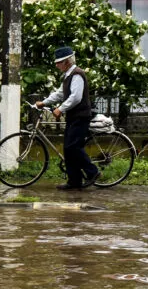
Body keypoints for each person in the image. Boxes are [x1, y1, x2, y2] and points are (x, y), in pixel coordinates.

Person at [34, 46, 99, 191]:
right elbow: (60, 94)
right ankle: (74, 181)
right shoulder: (68, 76)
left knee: (73, 147)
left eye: (59, 62)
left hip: (81, 116)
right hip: (73, 116)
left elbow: (76, 97)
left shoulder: (77, 75)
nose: (57, 65)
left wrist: (60, 109)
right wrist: (44, 102)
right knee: (68, 149)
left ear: (67, 62)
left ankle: (92, 172)